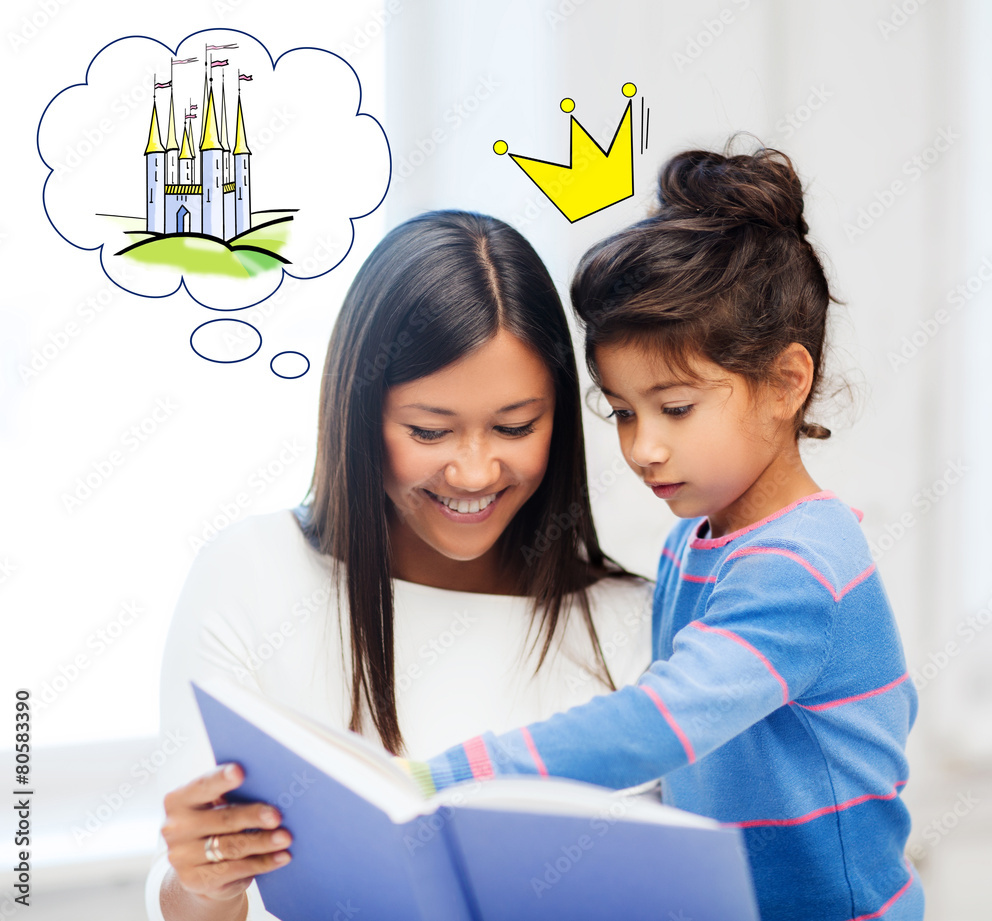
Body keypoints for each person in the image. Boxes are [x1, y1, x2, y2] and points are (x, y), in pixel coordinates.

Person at [406, 147, 925, 920]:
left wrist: (445, 778)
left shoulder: (802, 565)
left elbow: (660, 723)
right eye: (621, 411)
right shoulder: (697, 542)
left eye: (675, 407)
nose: (643, 446)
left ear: (787, 381)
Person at [144, 210, 653, 921]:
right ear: (359, 413)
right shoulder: (251, 576)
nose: (475, 470)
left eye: (515, 426)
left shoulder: (636, 624)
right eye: (429, 430)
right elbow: (194, 894)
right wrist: (201, 883)